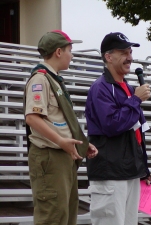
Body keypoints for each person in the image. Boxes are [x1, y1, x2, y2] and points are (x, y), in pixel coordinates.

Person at [24, 30, 98, 225]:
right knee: (53, 218)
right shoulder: (40, 79)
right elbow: (32, 117)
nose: (71, 55)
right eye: (69, 50)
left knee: (66, 216)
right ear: (58, 52)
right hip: (50, 155)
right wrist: (61, 141)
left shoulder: (53, 79)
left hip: (61, 154)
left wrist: (81, 144)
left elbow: (60, 120)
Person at [85, 32, 151, 225]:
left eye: (130, 52)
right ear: (108, 56)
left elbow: (138, 132)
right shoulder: (100, 88)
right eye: (123, 52)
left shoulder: (128, 88)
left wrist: (143, 167)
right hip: (110, 173)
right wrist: (136, 100)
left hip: (130, 171)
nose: (129, 57)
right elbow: (112, 125)